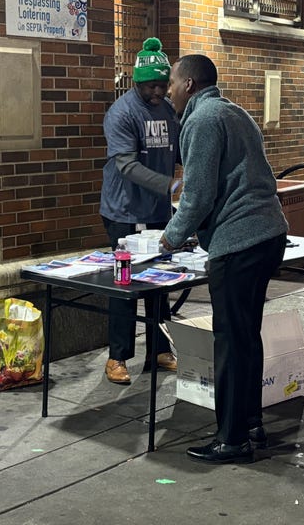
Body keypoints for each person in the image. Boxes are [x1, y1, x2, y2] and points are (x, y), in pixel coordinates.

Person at [160, 54, 288, 464]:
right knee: (247, 336)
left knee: (230, 341)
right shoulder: (236, 113)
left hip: (240, 242)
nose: (168, 91)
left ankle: (231, 439)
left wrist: (171, 237)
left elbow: (197, 194)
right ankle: (250, 423)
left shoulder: (201, 120)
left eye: (173, 83)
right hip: (268, 235)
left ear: (190, 85)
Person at [99, 37, 181, 384]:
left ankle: (159, 349)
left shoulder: (167, 110)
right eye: (152, 85)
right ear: (137, 82)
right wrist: (170, 185)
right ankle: (117, 357)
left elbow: (178, 153)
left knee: (160, 283)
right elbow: (126, 166)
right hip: (124, 211)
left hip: (158, 210)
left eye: (163, 84)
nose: (159, 91)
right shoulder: (122, 113)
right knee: (126, 284)